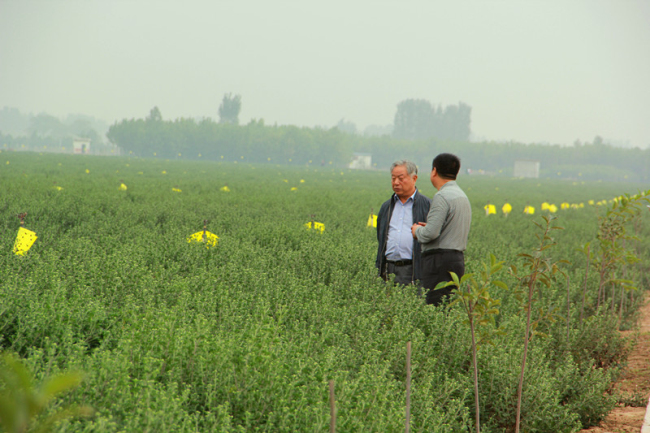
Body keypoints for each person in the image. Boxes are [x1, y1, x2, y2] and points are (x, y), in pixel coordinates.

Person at [411, 153, 471, 305]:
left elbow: (430, 234)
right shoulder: (462, 196)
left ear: (434, 171)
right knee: (447, 305)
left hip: (439, 262)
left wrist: (417, 231)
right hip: (456, 260)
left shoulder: (442, 196)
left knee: (435, 306)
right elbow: (450, 228)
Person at [376, 160, 431, 286]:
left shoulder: (427, 206)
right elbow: (381, 235)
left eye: (401, 178)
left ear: (414, 178)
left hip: (414, 269)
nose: (396, 182)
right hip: (388, 268)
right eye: (393, 178)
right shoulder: (386, 207)